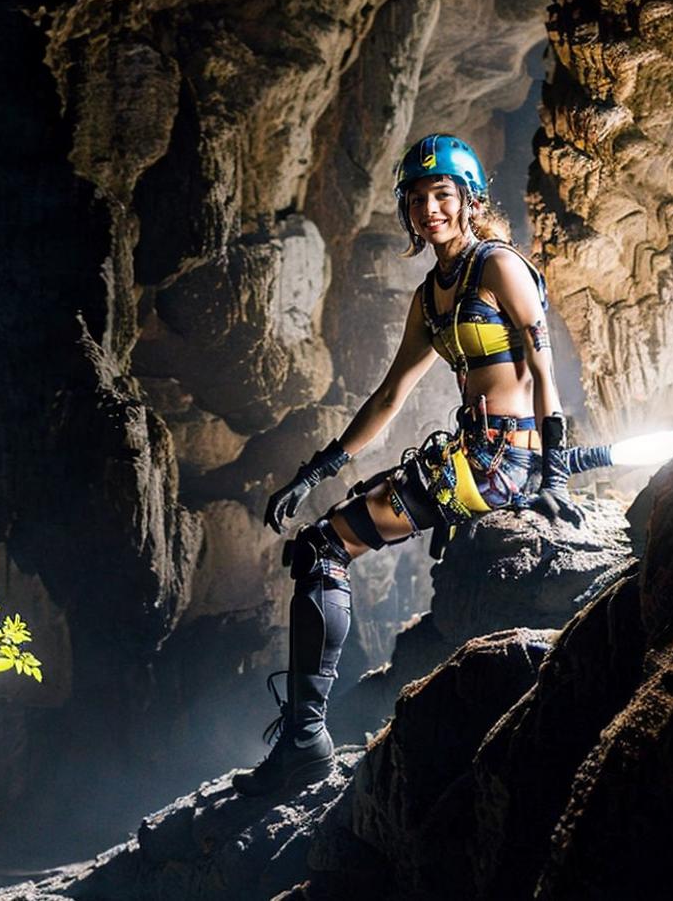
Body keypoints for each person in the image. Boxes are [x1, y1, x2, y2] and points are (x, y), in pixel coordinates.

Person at [231, 133, 610, 798]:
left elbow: (543, 369)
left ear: (467, 199)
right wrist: (315, 472)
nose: (429, 209)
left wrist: (550, 476)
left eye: (442, 195)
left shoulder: (499, 267)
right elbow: (388, 396)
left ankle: (306, 742)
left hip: (504, 465)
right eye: (417, 199)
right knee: (321, 541)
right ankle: (305, 736)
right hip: (472, 458)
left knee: (325, 548)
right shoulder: (431, 297)